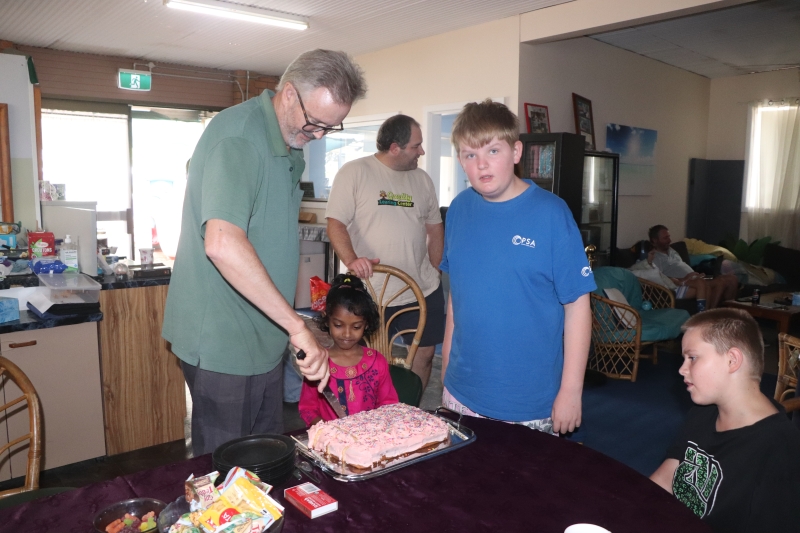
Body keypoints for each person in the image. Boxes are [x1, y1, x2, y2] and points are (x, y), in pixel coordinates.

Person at [162, 49, 367, 456]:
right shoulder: (240, 137)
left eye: (330, 127)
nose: (319, 136)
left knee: (266, 461)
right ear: (289, 94)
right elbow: (222, 243)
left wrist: (288, 328)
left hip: (264, 336)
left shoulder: (289, 142)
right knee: (225, 473)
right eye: (315, 123)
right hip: (224, 341)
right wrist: (296, 326)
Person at [440, 99, 595, 435]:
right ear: (460, 160)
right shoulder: (458, 210)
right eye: (470, 155)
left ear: (516, 152)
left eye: (493, 151)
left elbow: (577, 305)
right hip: (460, 393)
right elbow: (458, 294)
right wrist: (447, 364)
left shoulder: (552, 214)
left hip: (529, 403)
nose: (482, 164)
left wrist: (571, 390)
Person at [649, 308, 800, 532]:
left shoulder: (779, 447)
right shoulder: (703, 412)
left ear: (732, 360)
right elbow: (666, 476)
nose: (682, 369)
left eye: (692, 358)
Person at [326, 114, 444, 389]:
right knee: (367, 359)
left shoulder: (422, 180)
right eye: (416, 146)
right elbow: (335, 224)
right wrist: (352, 260)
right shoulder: (355, 172)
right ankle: (371, 411)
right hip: (371, 290)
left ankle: (409, 408)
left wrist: (435, 268)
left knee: (424, 355)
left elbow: (435, 228)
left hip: (422, 288)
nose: (421, 152)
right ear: (395, 148)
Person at [299, 274, 399, 426]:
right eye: (338, 325)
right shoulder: (318, 363)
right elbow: (308, 408)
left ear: (366, 324)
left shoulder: (377, 362)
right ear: (327, 319)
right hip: (329, 437)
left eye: (356, 327)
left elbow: (389, 405)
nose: (347, 334)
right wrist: (327, 430)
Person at [648, 225, 738, 310]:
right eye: (665, 238)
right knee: (720, 282)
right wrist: (685, 278)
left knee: (732, 279)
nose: (669, 240)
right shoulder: (655, 257)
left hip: (695, 277)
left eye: (669, 237)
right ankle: (711, 313)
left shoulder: (672, 251)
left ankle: (728, 311)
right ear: (655, 240)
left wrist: (695, 274)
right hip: (686, 282)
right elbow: (660, 277)